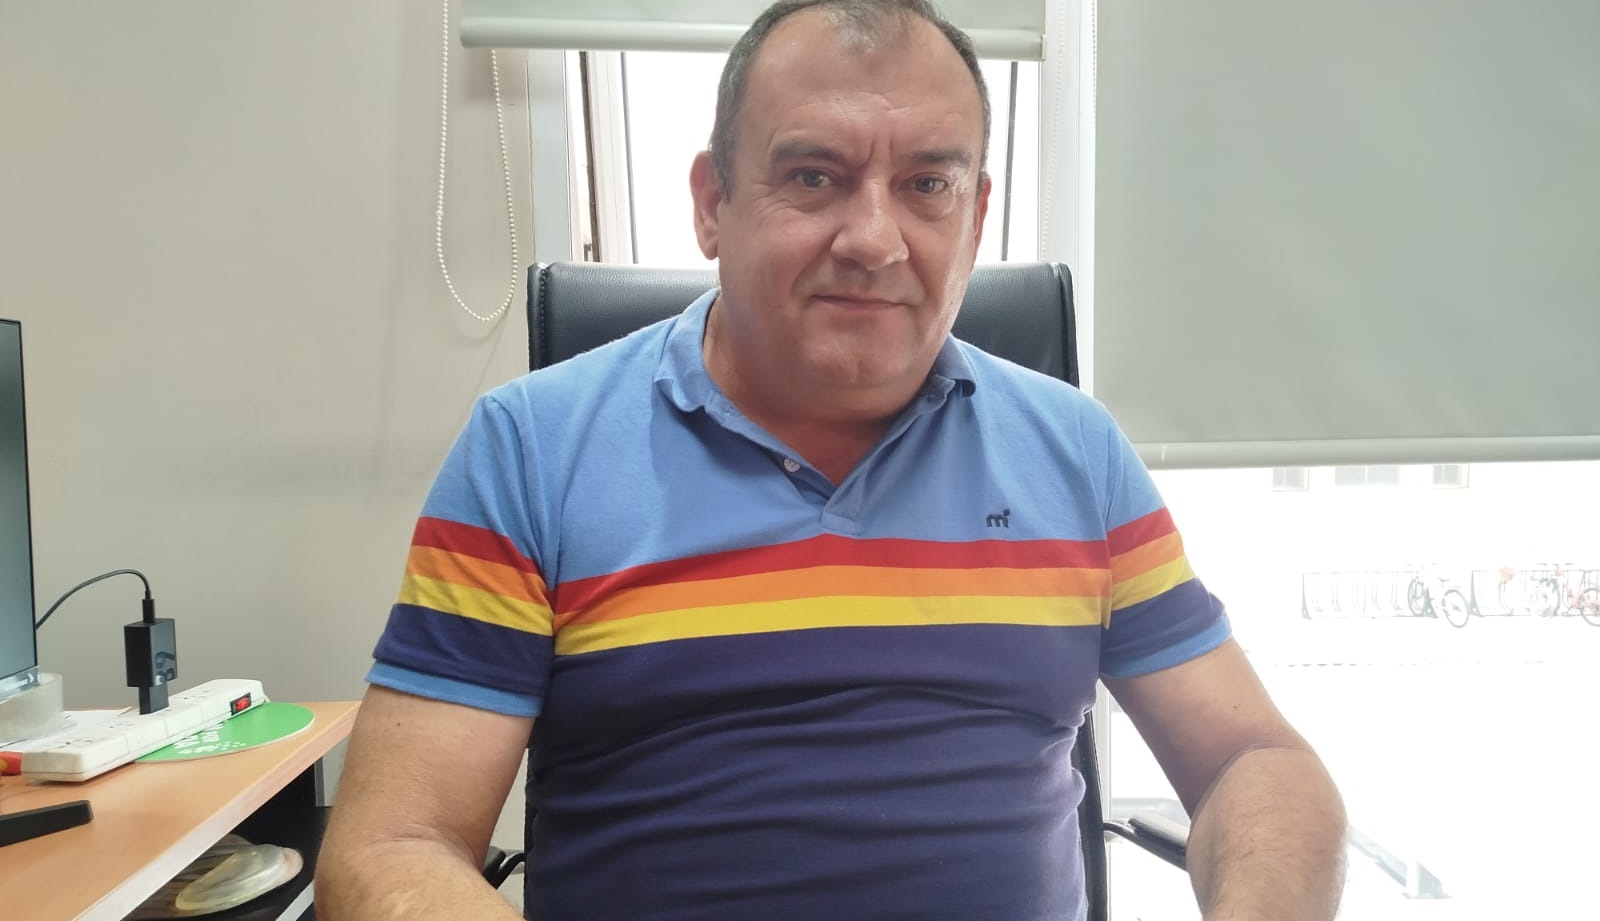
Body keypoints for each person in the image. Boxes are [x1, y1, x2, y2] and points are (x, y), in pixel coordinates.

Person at [316, 1, 1347, 918]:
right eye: (814, 176)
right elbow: (393, 846)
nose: (874, 239)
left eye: (928, 184)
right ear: (712, 202)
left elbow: (1251, 760)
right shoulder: (532, 450)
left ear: (976, 216)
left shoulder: (1075, 451)